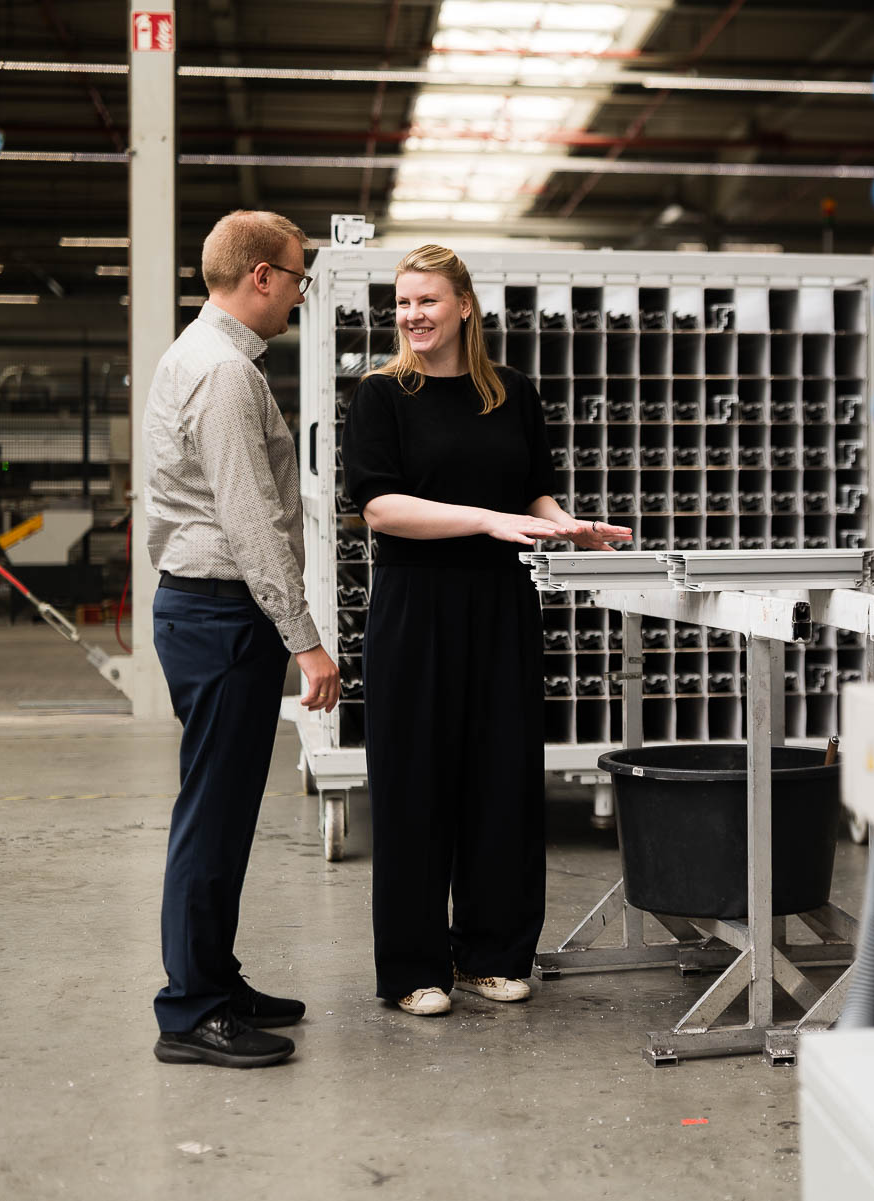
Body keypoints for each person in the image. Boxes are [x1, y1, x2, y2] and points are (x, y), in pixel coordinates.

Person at [343, 244, 631, 1016]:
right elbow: (379, 507)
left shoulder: (513, 392)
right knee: (414, 786)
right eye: (402, 303)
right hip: (415, 604)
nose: (412, 316)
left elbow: (533, 490)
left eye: (427, 301)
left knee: (500, 779)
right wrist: (487, 520)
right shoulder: (379, 394)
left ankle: (490, 954)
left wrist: (568, 528)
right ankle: (413, 967)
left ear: (466, 305)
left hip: (499, 604)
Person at [144, 210, 341, 1069]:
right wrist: (306, 640)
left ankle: (215, 978)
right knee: (211, 816)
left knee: (222, 813)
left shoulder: (200, 355)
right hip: (223, 614)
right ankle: (190, 1009)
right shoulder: (224, 374)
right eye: (297, 276)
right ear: (261, 274)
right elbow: (252, 524)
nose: (300, 292)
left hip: (213, 611)